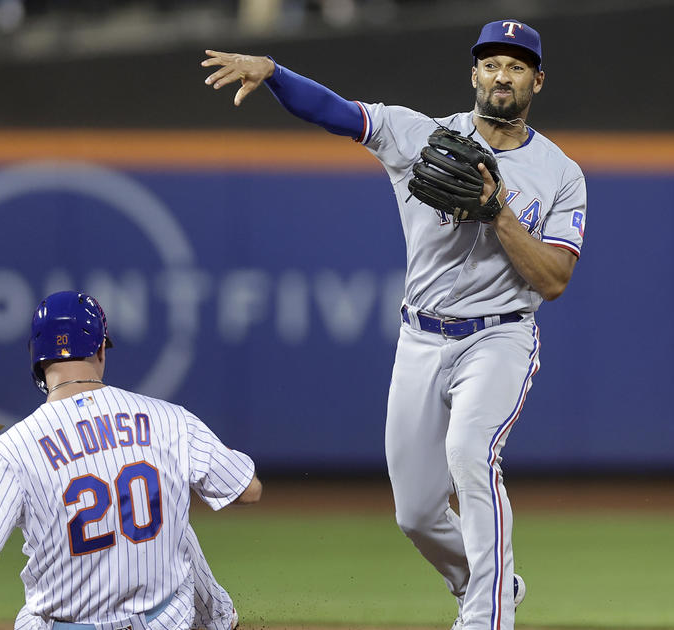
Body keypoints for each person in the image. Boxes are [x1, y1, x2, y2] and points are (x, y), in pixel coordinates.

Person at [202, 18, 586, 630]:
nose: (501, 75)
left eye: (516, 66)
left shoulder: (562, 174)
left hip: (500, 335)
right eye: (491, 63)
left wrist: (499, 213)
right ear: (474, 74)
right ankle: (490, 585)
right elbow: (339, 114)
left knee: (470, 452)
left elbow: (554, 279)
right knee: (415, 512)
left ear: (537, 81)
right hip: (421, 338)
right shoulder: (421, 136)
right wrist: (275, 74)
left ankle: (486, 619)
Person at [0, 290, 261, 630]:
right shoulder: (170, 420)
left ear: (38, 359)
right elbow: (248, 490)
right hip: (162, 622)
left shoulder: (13, 449)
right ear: (99, 349)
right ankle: (222, 622)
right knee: (174, 520)